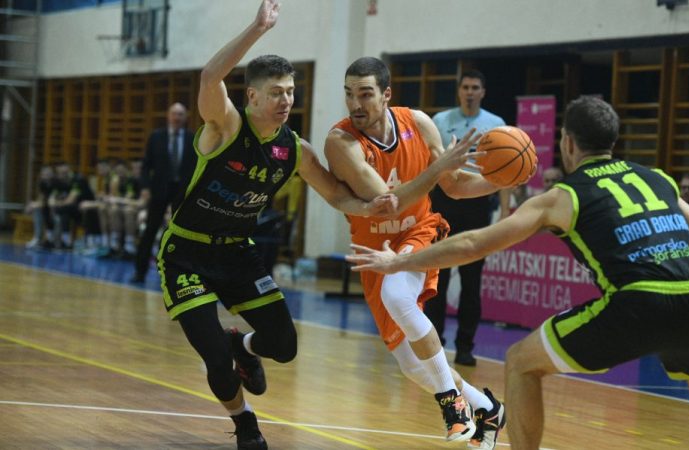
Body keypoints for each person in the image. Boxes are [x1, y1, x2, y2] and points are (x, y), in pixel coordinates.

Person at [347, 96, 689, 450]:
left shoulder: (564, 195)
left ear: (567, 142)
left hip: (639, 302)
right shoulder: (658, 179)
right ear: (613, 140)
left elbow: (475, 243)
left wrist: (398, 262)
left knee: (520, 363)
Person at [157, 2, 397, 449]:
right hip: (187, 253)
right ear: (252, 97)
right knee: (215, 360)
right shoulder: (225, 127)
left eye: (290, 91)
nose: (286, 100)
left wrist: (370, 208)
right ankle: (245, 422)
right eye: (275, 93)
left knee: (284, 345)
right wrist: (257, 28)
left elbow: (335, 195)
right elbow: (210, 77)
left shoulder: (295, 149)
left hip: (237, 253)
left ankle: (243, 346)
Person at [324, 56, 506, 448]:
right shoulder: (340, 142)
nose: (355, 104)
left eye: (365, 94)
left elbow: (453, 185)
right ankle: (487, 408)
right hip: (374, 250)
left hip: (420, 232)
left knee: (396, 294)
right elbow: (388, 203)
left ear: (386, 94)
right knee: (410, 364)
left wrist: (501, 179)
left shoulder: (418, 123)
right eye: (349, 94)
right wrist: (439, 167)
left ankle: (453, 405)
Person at [425, 69, 506, 367]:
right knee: (437, 278)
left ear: (482, 92)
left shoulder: (496, 125)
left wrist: (505, 209)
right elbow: (429, 165)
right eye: (466, 87)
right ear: (459, 91)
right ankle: (435, 345)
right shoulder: (440, 121)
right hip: (443, 202)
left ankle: (465, 347)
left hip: (478, 203)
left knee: (472, 282)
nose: (470, 92)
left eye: (475, 87)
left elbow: (504, 170)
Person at [130, 103, 196, 283]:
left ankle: (178, 275)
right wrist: (145, 187)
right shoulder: (156, 137)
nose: (177, 117)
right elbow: (146, 165)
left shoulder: (192, 138)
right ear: (168, 115)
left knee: (181, 234)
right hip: (159, 191)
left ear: (185, 117)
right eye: (174, 114)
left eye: (180, 114)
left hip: (182, 193)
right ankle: (140, 271)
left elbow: (197, 167)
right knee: (150, 231)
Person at [24, 164, 55, 249]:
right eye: (44, 174)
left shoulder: (56, 183)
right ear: (41, 175)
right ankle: (38, 238)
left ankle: (50, 239)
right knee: (37, 210)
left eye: (49, 173)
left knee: (39, 208)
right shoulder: (42, 184)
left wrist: (35, 204)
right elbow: (42, 197)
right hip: (47, 207)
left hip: (56, 207)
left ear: (52, 174)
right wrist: (33, 204)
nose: (47, 175)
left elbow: (51, 200)